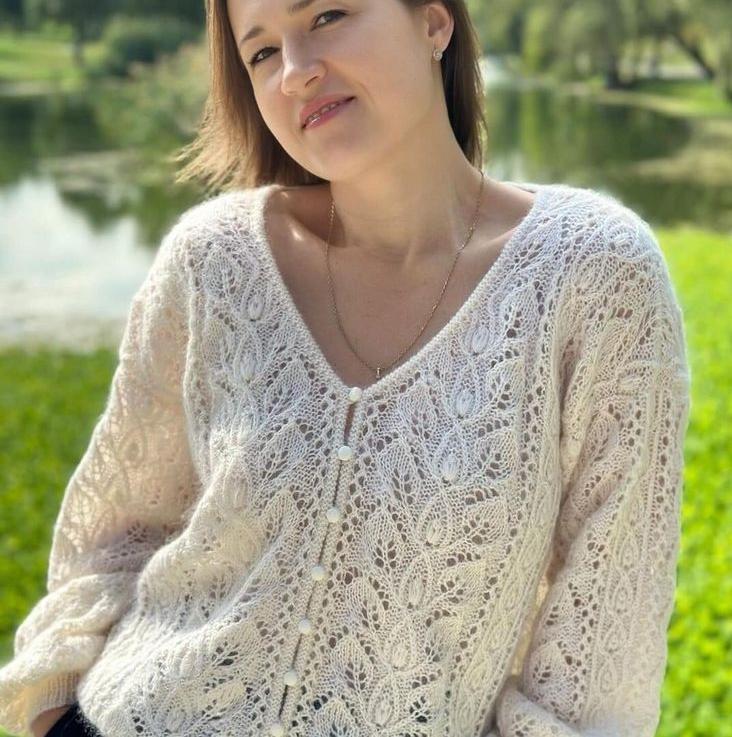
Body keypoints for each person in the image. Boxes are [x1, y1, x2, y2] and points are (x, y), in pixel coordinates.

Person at [0, 1, 692, 736]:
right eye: (262, 53)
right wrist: (54, 712)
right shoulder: (214, 261)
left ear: (433, 22)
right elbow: (109, 539)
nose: (295, 73)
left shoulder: (593, 272)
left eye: (327, 15)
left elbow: (600, 663)